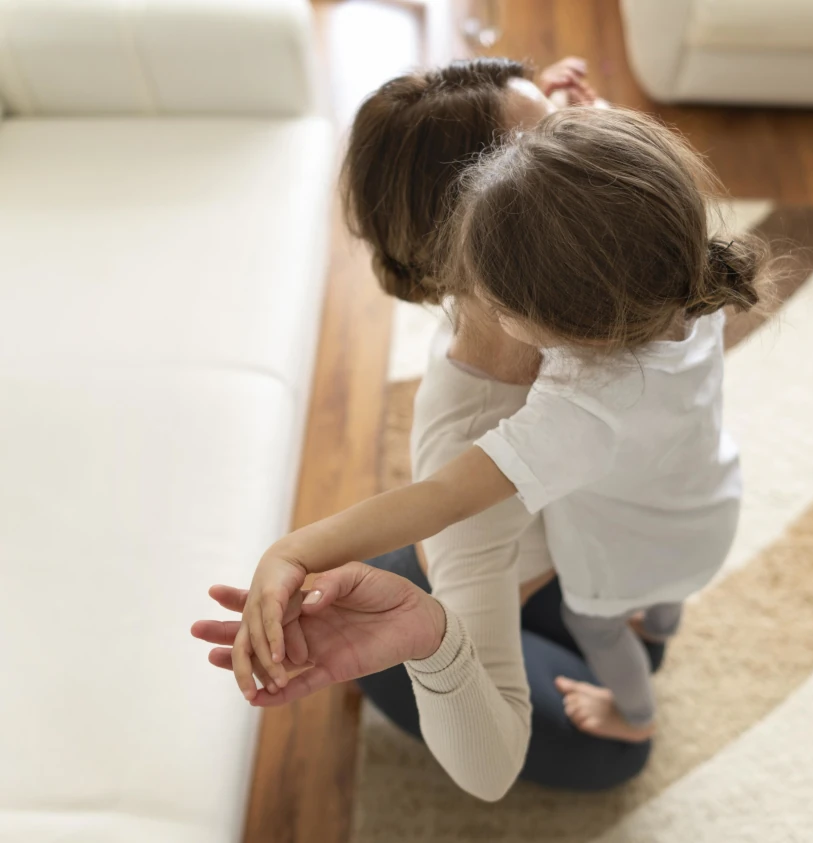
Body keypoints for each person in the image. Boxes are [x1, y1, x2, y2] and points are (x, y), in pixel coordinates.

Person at [192, 59, 670, 801]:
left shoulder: (582, 278)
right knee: (617, 756)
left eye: (568, 133)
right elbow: (488, 770)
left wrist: (564, 114)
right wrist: (433, 644)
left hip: (549, 557)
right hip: (469, 575)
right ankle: (397, 660)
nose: (589, 152)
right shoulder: (474, 451)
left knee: (652, 645)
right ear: (484, 235)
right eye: (554, 147)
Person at [227, 107, 770, 738]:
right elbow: (615, 196)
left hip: (625, 556)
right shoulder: (686, 284)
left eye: (499, 305)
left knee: (599, 628)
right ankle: (659, 625)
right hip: (710, 511)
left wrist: (294, 548)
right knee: (666, 597)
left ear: (563, 325)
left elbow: (441, 498)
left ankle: (636, 713)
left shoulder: (583, 407)